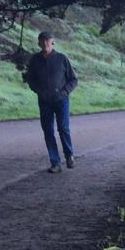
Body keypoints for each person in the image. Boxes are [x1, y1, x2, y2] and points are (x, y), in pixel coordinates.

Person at [26, 31, 78, 173]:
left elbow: (73, 79)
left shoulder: (61, 58)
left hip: (61, 100)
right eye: (42, 41)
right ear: (38, 43)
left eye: (47, 41)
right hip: (44, 101)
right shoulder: (34, 60)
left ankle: (69, 156)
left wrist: (64, 92)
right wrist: (38, 90)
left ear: (52, 42)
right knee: (48, 131)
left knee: (63, 128)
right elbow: (30, 79)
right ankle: (55, 163)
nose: (45, 44)